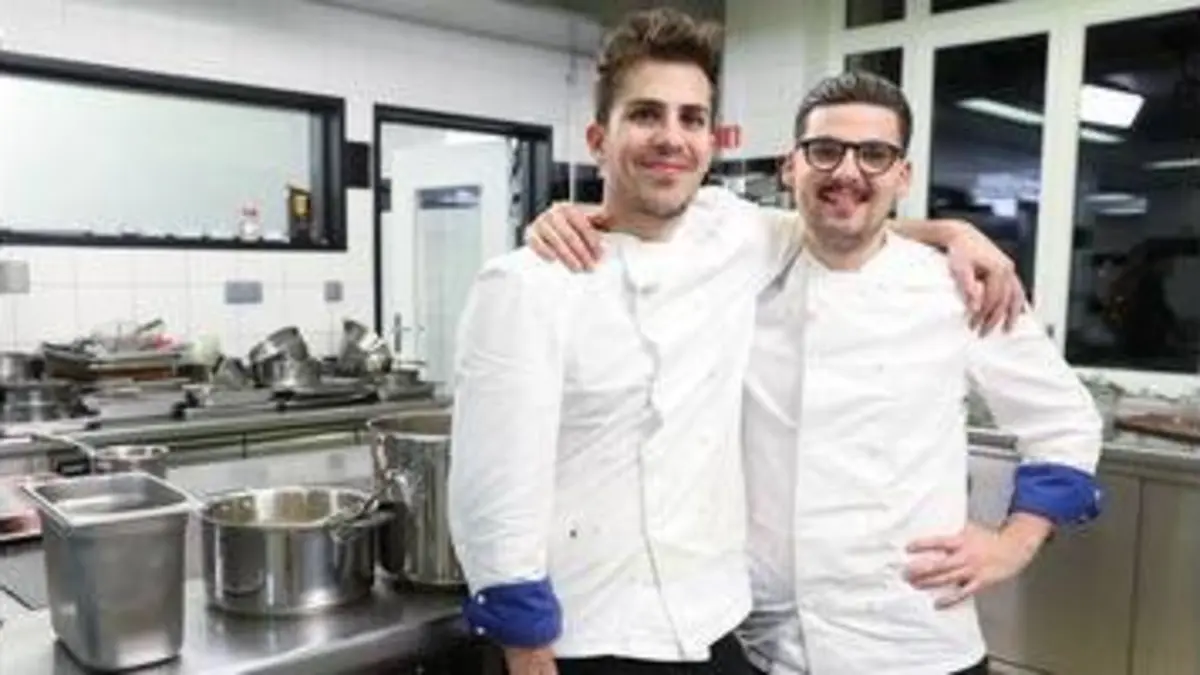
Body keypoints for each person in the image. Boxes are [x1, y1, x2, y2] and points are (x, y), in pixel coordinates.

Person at [448, 10, 1023, 675]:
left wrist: (953, 232)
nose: (671, 137)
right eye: (646, 114)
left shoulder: (732, 234)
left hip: (715, 625)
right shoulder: (526, 283)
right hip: (590, 633)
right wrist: (526, 651)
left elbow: (843, 219)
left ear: (710, 141)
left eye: (691, 118)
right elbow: (494, 493)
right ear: (599, 139)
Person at [530, 71, 1103, 675]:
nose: (847, 171)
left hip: (913, 640)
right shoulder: (739, 265)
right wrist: (570, 217)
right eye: (825, 151)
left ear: (903, 175)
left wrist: (1013, 543)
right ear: (790, 167)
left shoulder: (957, 288)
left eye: (875, 155)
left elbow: (1065, 423)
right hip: (761, 643)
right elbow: (644, 216)